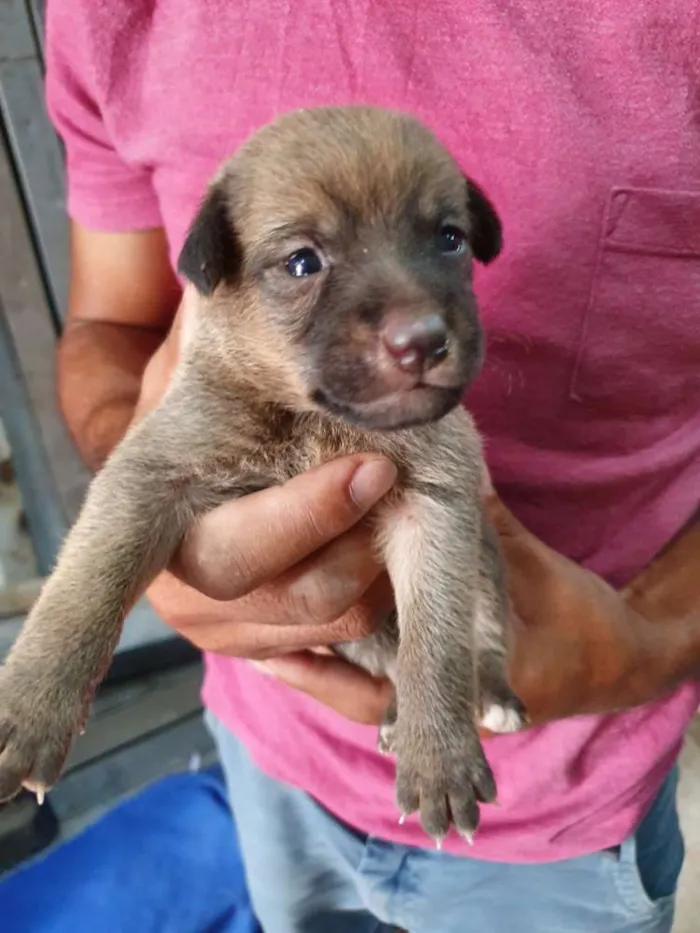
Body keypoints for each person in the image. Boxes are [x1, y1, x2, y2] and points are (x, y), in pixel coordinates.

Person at [44, 1, 700, 930]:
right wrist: (167, 507)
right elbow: (110, 326)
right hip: (270, 745)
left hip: (563, 808)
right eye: (305, 261)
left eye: (446, 241)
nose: (414, 323)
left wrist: (649, 645)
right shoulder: (110, 14)